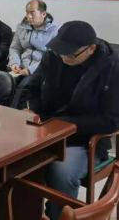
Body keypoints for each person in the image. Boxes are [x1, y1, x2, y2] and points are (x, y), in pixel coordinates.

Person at [16, 22, 119, 220]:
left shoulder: (113, 67)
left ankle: (59, 217)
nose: (64, 57)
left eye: (71, 54)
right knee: (14, 163)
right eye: (61, 51)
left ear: (91, 49)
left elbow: (111, 121)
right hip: (43, 130)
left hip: (83, 139)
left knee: (61, 171)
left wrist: (62, 124)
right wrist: (27, 108)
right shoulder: (54, 56)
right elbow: (30, 89)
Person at [9, 0, 59, 107]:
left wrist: (30, 69)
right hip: (20, 67)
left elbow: (52, 57)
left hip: (39, 69)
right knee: (4, 82)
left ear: (43, 14)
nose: (29, 16)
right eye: (27, 12)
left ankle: (14, 112)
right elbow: (15, 48)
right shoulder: (21, 27)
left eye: (32, 13)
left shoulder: (54, 31)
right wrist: (14, 63)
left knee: (23, 87)